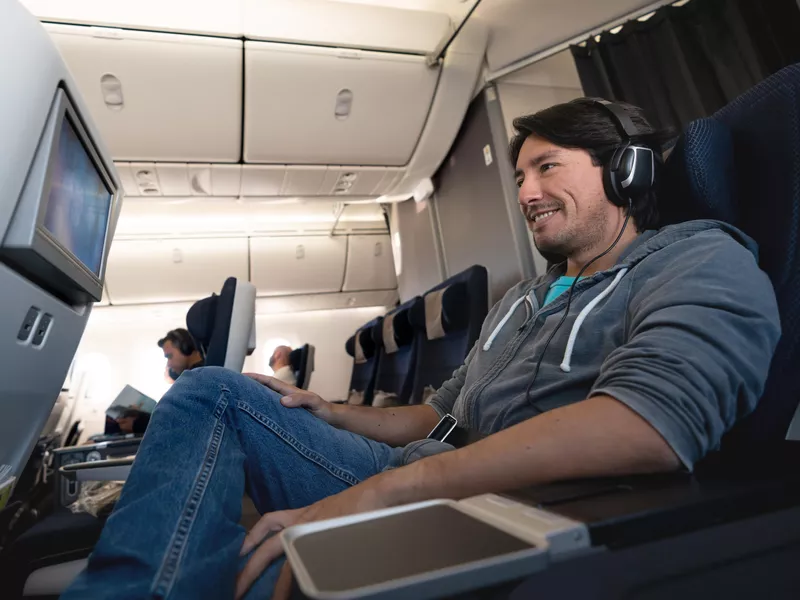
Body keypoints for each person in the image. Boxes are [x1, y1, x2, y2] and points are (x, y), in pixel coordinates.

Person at [62, 99, 780, 600]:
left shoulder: (694, 258)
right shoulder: (524, 297)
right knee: (217, 392)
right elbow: (437, 415)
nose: (527, 191)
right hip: (423, 468)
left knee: (236, 558)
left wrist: (380, 494)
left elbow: (647, 426)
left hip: (506, 505)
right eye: (520, 176)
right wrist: (331, 412)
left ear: (626, 170)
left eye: (548, 167)